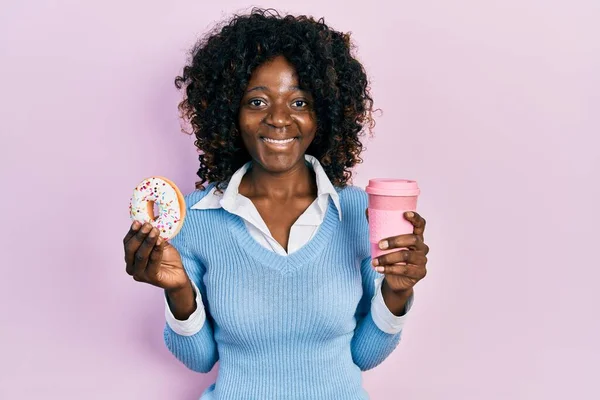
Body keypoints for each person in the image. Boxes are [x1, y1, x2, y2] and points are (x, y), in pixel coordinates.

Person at [123, 8, 429, 400]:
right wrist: (179, 290)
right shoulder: (196, 217)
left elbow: (363, 355)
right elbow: (200, 360)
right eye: (257, 102)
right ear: (230, 112)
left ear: (325, 114)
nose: (279, 119)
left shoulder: (357, 212)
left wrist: (397, 293)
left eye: (299, 102)